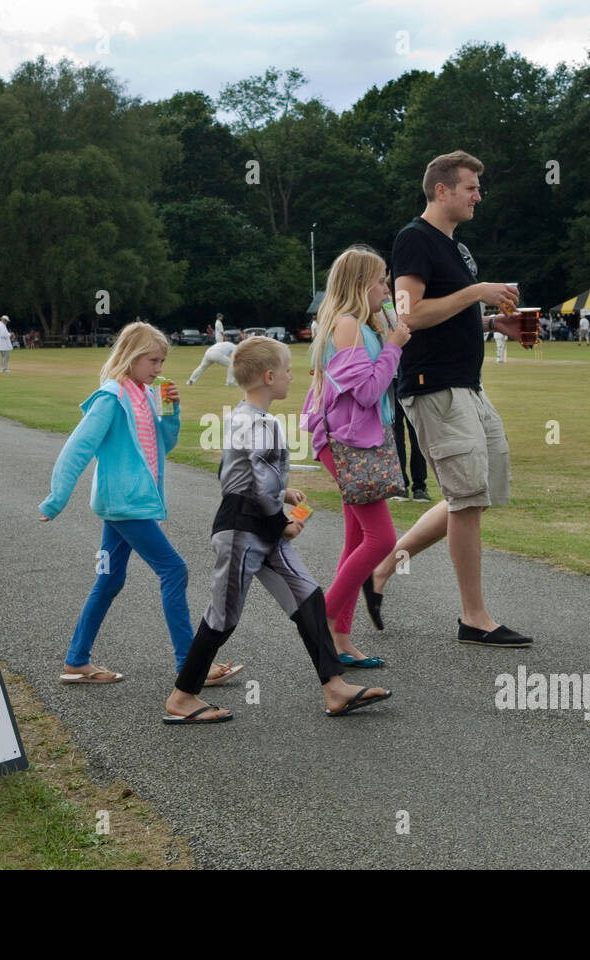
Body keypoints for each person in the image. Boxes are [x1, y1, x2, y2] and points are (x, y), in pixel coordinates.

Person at [163, 337, 392, 722]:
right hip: (242, 532)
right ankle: (182, 698)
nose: (292, 375)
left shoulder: (249, 419)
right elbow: (248, 486)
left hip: (261, 529)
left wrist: (282, 493)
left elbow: (234, 472)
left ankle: (335, 689)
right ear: (269, 376)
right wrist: (281, 522)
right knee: (223, 616)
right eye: (286, 369)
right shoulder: (254, 422)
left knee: (308, 598)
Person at [377, 149, 531, 648]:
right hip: (433, 386)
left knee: (475, 491)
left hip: (468, 384)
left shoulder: (458, 250)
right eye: (470, 187)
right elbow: (410, 316)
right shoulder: (413, 240)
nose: (477, 196)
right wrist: (476, 293)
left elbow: (449, 314)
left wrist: (491, 321)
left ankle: (380, 570)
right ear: (441, 190)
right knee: (466, 497)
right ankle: (474, 617)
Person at [38, 321, 240, 687]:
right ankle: (190, 665)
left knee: (110, 578)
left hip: (129, 504)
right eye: (153, 361)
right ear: (131, 357)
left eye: (162, 361)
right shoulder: (110, 398)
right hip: (124, 504)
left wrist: (172, 413)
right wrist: (55, 500)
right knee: (174, 570)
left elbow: (164, 444)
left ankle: (76, 661)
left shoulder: (145, 395)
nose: (159, 369)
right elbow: (78, 448)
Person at [300, 246, 410, 668]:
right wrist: (394, 346)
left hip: (358, 441)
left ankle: (340, 638)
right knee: (381, 539)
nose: (386, 287)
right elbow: (366, 392)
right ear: (361, 284)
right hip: (347, 442)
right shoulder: (346, 326)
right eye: (381, 280)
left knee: (355, 538)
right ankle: (321, 620)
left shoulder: (361, 325)